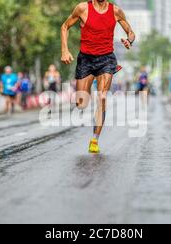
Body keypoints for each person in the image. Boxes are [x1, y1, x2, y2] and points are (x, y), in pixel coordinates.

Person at [61, 0, 135, 154]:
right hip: (86, 59)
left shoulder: (115, 11)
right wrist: (64, 50)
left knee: (102, 98)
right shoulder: (82, 8)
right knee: (81, 103)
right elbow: (65, 27)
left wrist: (129, 41)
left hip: (106, 59)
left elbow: (130, 31)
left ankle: (94, 140)